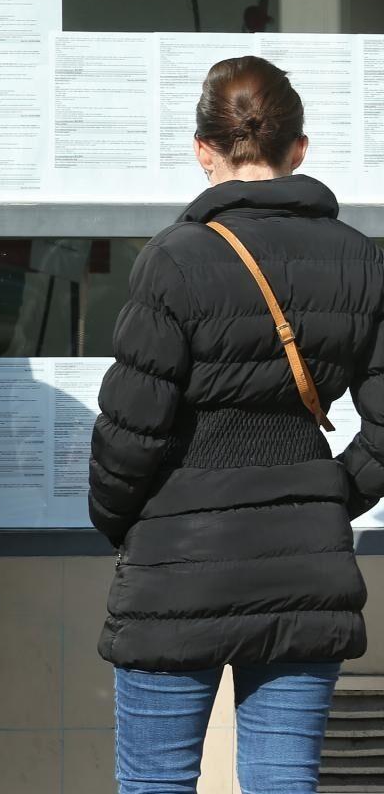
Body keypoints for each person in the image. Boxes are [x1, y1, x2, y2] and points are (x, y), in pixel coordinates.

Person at [90, 55, 384, 793]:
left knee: (156, 783)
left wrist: (122, 518)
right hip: (303, 564)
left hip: (174, 566)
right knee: (283, 785)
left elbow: (131, 430)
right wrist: (329, 494)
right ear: (299, 150)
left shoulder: (174, 261)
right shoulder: (359, 260)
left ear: (203, 151)